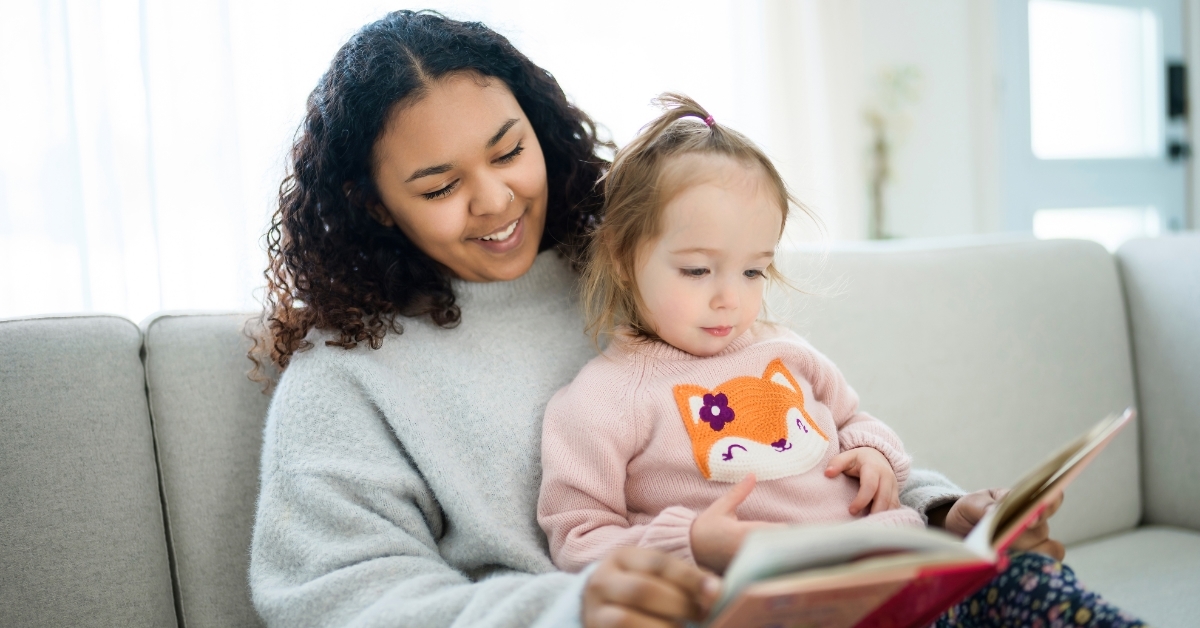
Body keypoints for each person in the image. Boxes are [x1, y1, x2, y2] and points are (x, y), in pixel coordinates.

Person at [248, 10, 1144, 627]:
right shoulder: (348, 375)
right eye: (438, 186)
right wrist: (580, 610)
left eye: (509, 149)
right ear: (372, 206)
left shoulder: (640, 267)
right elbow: (338, 601)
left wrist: (940, 508)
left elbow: (804, 433)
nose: (495, 200)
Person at [538, 94, 923, 577]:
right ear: (620, 256)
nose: (730, 299)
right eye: (698, 270)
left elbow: (852, 420)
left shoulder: (782, 348)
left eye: (753, 272)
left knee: (1032, 584)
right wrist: (690, 543)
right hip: (762, 593)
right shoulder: (603, 399)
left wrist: (872, 452)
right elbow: (578, 540)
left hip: (881, 557)